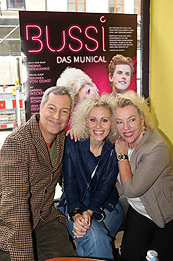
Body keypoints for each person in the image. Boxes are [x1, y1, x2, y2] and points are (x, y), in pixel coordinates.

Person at [0, 86, 76, 261]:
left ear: (69, 116)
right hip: (8, 221)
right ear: (41, 107)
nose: (56, 116)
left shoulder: (62, 139)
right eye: (52, 108)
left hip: (44, 217)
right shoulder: (17, 143)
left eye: (64, 111)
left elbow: (67, 178)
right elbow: (15, 204)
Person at [58, 94, 123, 260]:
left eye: (105, 120)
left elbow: (105, 187)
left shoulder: (115, 147)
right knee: (93, 237)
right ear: (85, 121)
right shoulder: (72, 142)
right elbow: (69, 183)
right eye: (93, 120)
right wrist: (76, 213)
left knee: (90, 237)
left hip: (108, 206)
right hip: (72, 204)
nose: (98, 126)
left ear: (113, 122)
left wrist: (89, 212)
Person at [113, 90, 173, 261]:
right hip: (139, 210)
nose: (126, 128)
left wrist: (122, 156)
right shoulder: (121, 140)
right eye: (119, 122)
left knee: (153, 258)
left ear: (142, 119)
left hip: (163, 214)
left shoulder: (156, 147)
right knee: (129, 255)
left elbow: (131, 190)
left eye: (131, 120)